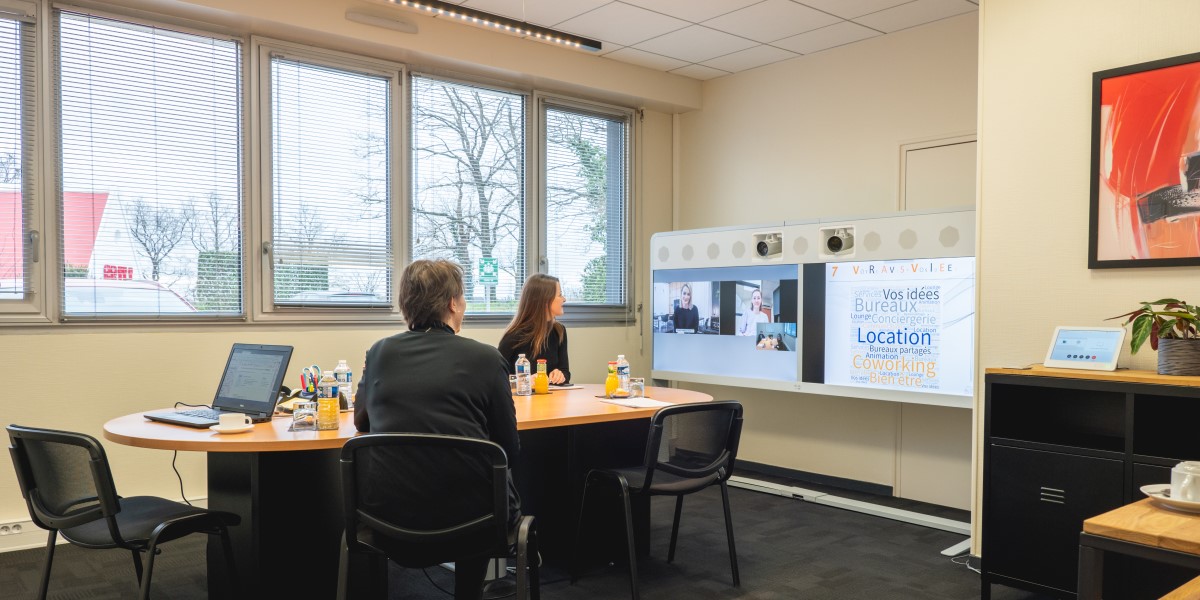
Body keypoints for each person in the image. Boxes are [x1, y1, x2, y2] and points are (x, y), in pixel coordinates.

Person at [355, 259, 519, 600]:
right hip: (474, 526)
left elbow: (362, 423)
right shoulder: (486, 358)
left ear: (406, 304)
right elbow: (508, 448)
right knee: (489, 488)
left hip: (386, 521)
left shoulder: (379, 352)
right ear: (452, 303)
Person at [499, 273, 570, 384]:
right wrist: (524, 381)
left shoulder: (559, 331)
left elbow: (565, 372)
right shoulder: (514, 334)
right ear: (545, 300)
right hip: (521, 399)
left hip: (551, 398)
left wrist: (560, 375)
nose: (564, 299)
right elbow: (496, 377)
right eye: (560, 295)